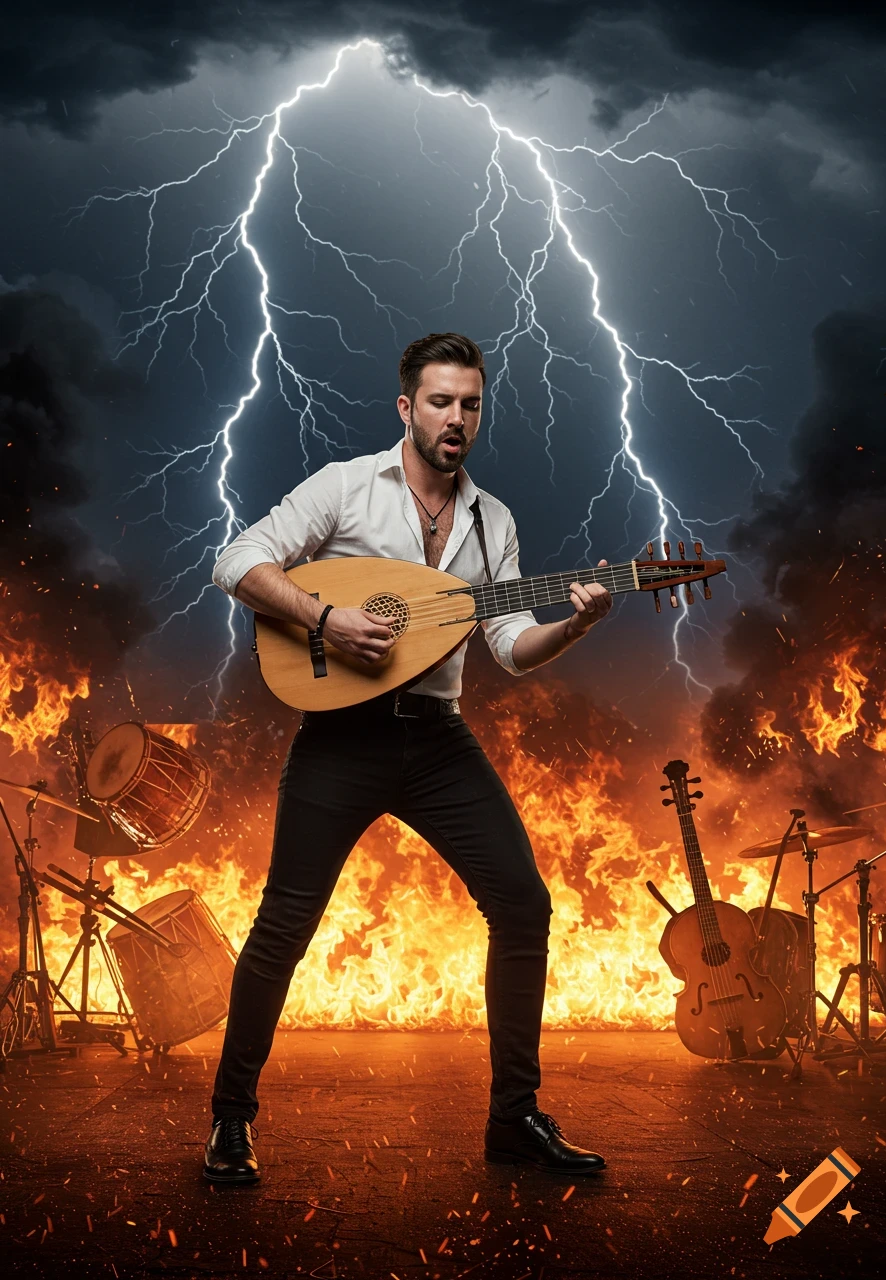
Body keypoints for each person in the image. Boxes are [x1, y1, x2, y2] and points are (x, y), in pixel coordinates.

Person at [204, 333, 612, 1185]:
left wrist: (573, 627)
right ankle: (230, 1122)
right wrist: (324, 620)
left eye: (469, 404)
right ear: (407, 407)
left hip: (436, 738)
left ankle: (514, 1121)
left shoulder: (491, 521)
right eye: (439, 401)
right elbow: (236, 559)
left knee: (524, 906)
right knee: (283, 926)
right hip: (340, 742)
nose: (455, 417)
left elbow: (505, 643)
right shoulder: (348, 486)